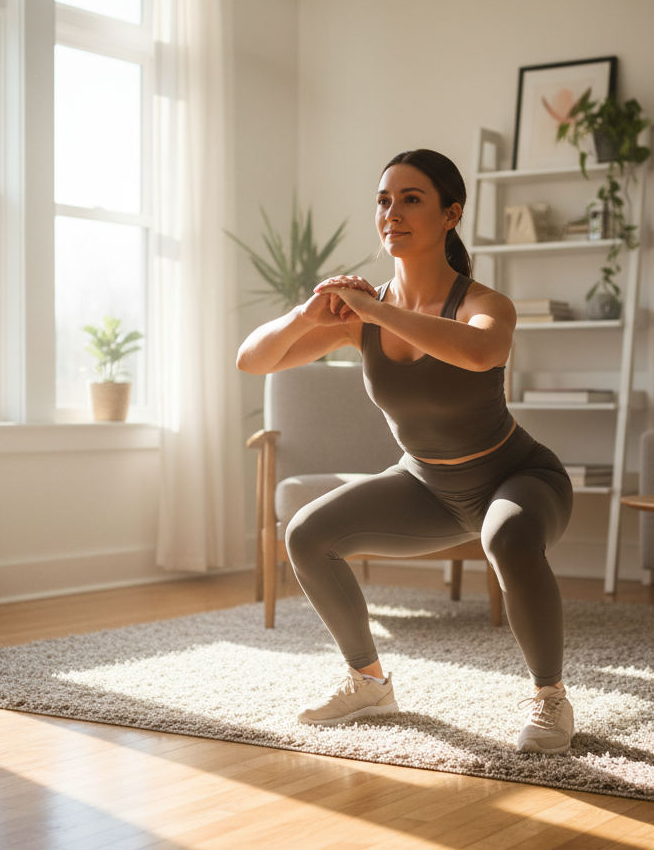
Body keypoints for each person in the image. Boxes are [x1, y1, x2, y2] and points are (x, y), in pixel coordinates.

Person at [236, 149, 575, 754]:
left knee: (507, 537)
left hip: (518, 478)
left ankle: (550, 700)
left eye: (410, 198)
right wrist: (306, 314)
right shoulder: (359, 315)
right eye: (383, 200)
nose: (391, 212)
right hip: (426, 487)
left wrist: (378, 309)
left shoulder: (483, 304)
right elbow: (253, 360)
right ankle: (368, 683)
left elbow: (481, 354)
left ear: (452, 213)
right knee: (307, 535)